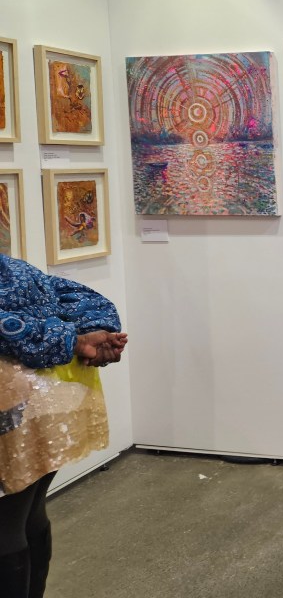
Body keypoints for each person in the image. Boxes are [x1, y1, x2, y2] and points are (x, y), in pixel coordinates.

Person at [0, 254, 126, 597]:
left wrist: (77, 340)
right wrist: (86, 334)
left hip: (14, 408)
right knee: (26, 515)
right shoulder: (14, 267)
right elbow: (77, 295)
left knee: (7, 525)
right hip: (50, 399)